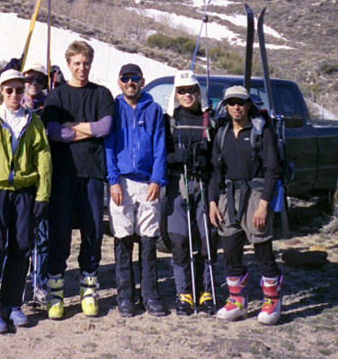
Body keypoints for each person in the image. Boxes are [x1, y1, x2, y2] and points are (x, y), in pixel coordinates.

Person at [0, 69, 52, 334]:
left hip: (24, 192)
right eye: (9, 90)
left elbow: (44, 158)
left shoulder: (33, 120)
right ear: (1, 91)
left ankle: (12, 304)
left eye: (19, 89)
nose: (15, 94)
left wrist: (43, 194)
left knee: (21, 247)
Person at [41, 40, 115, 319]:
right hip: (62, 175)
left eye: (85, 63)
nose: (81, 68)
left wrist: (72, 128)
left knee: (93, 233)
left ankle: (89, 288)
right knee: (59, 234)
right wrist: (88, 130)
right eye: (76, 63)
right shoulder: (57, 96)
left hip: (92, 174)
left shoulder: (101, 94)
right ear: (69, 64)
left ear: (90, 64)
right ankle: (56, 292)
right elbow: (52, 132)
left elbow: (105, 127)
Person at [208, 85, 283, 325]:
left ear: (248, 104)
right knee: (230, 251)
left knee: (262, 250)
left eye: (241, 102)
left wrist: (263, 205)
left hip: (256, 196)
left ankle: (272, 301)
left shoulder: (262, 131)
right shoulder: (222, 133)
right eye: (231, 103)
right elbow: (215, 171)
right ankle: (237, 301)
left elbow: (273, 170)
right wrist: (212, 201)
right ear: (226, 106)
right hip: (228, 197)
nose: (236, 107)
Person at [105, 63, 168, 318]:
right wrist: (113, 180)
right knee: (123, 238)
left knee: (148, 238)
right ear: (119, 82)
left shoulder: (154, 110)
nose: (130, 82)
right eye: (125, 78)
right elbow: (108, 147)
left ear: (142, 81)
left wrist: (157, 179)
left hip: (147, 183)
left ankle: (150, 295)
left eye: (135, 78)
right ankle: (125, 296)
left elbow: (160, 148)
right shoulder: (113, 110)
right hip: (121, 182)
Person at [164, 71, 218, 316]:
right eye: (182, 90)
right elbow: (160, 155)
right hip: (179, 184)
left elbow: (219, 157)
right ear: (175, 93)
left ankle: (206, 291)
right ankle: (183, 292)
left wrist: (206, 161)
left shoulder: (210, 119)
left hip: (203, 185)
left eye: (192, 90)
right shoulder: (169, 120)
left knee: (207, 238)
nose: (188, 95)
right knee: (179, 239)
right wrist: (175, 157)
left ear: (199, 91)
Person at [21, 62, 50, 304]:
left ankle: (39, 284)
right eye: (29, 79)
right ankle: (17, 283)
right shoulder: (13, 105)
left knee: (41, 236)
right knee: (18, 236)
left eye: (39, 80)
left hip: (42, 181)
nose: (33, 84)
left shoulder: (49, 108)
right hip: (18, 181)